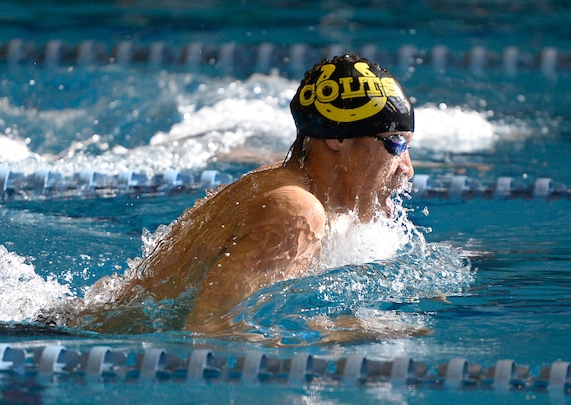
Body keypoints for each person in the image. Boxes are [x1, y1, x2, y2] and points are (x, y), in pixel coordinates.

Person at [73, 54, 415, 336]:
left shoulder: (279, 183)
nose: (406, 169)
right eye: (396, 144)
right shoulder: (296, 211)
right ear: (338, 138)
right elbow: (212, 331)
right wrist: (348, 332)